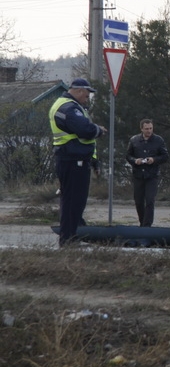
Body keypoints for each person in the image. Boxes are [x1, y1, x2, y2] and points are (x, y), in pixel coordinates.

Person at [50, 78, 107, 247]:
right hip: (72, 160)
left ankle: (71, 237)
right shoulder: (68, 108)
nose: (87, 99)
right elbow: (85, 130)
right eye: (87, 95)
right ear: (79, 90)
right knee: (72, 202)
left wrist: (94, 161)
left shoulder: (69, 106)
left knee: (75, 202)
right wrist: (99, 130)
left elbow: (85, 136)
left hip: (74, 159)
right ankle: (68, 240)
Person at [126, 119, 169, 227]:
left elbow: (165, 156)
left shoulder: (158, 140)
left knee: (150, 201)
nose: (149, 131)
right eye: (146, 129)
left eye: (150, 128)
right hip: (138, 175)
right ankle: (142, 223)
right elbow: (128, 155)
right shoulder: (134, 140)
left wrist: (154, 160)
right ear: (141, 129)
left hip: (152, 175)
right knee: (139, 201)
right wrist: (135, 161)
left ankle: (147, 225)